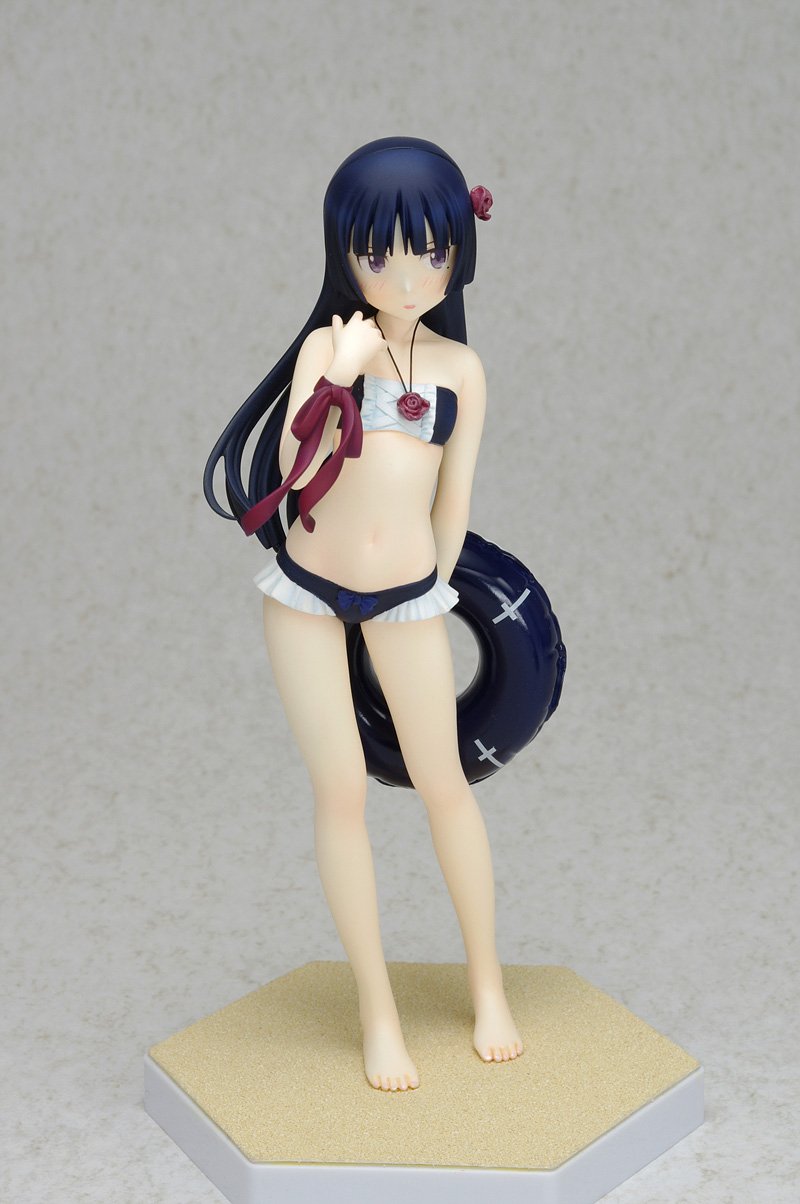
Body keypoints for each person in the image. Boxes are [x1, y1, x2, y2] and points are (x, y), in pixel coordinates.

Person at [204, 137, 523, 1091]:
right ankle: (378, 1010)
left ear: (460, 249)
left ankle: (488, 983)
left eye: (431, 251)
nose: (408, 276)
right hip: (307, 593)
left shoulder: (463, 369)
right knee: (341, 791)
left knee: (444, 783)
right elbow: (298, 480)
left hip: (409, 597)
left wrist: (433, 588)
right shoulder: (328, 348)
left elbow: (453, 502)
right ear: (345, 255)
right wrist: (336, 374)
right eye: (379, 254)